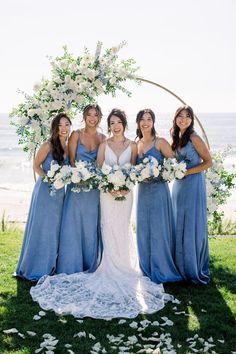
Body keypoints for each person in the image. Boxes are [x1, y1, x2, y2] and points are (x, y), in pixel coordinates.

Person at [30, 108, 172, 319]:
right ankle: (106, 266)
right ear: (109, 125)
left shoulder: (133, 146)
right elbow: (98, 170)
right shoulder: (103, 145)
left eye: (119, 122)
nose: (115, 126)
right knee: (107, 227)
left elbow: (133, 171)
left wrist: (125, 187)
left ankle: (123, 266)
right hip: (106, 194)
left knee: (122, 228)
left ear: (124, 124)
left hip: (126, 194)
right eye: (112, 123)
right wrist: (109, 186)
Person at [15, 113, 72, 281]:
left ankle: (50, 266)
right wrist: (49, 178)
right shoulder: (48, 145)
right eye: (60, 125)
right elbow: (36, 166)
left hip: (60, 194)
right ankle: (34, 266)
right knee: (41, 228)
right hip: (45, 192)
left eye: (66, 124)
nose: (63, 128)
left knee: (54, 230)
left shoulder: (69, 147)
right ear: (55, 127)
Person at [56, 104, 105, 274]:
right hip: (77, 186)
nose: (92, 118)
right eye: (89, 114)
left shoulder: (103, 138)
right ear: (84, 117)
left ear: (99, 117)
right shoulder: (76, 134)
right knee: (74, 224)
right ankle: (71, 264)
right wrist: (79, 176)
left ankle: (89, 263)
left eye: (96, 115)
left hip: (93, 190)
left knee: (90, 225)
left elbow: (101, 163)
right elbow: (71, 160)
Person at [136, 109, 182, 284]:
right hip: (142, 193)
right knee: (144, 229)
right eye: (142, 119)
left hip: (158, 191)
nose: (145, 123)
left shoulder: (160, 142)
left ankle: (162, 267)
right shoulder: (137, 144)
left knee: (158, 230)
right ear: (138, 123)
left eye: (149, 119)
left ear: (153, 122)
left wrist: (159, 173)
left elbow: (174, 166)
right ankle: (146, 267)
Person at [171, 105, 212, 284]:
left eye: (187, 116)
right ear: (175, 118)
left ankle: (192, 265)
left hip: (193, 184)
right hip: (179, 185)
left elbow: (208, 162)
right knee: (178, 219)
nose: (183, 119)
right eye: (180, 116)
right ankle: (179, 264)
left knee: (191, 222)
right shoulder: (175, 135)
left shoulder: (194, 138)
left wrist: (188, 172)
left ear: (191, 119)